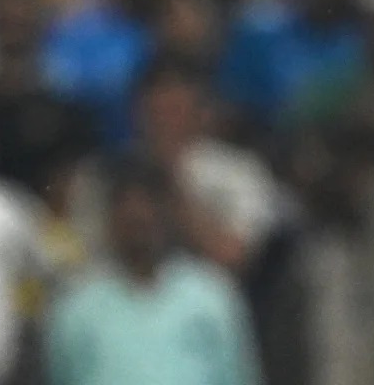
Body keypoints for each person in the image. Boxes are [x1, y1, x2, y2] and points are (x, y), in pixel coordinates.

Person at [46, 159, 261, 385]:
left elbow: (238, 375)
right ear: (112, 219)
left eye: (145, 220)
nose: (139, 229)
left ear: (166, 216)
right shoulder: (78, 306)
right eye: (130, 222)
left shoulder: (210, 295)